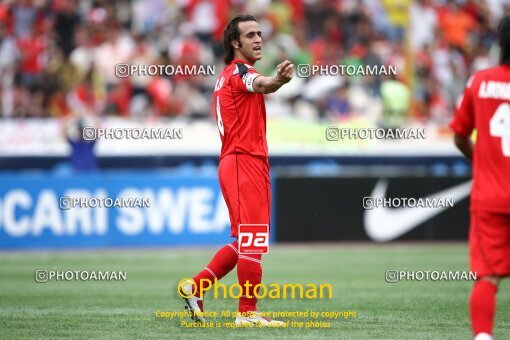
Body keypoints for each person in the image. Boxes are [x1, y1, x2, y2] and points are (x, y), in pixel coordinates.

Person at [178, 14, 293, 327]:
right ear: (234, 42)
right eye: (250, 35)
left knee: (246, 241)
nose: (258, 39)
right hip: (243, 161)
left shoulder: (227, 74)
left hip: (243, 161)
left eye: (260, 34)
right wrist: (278, 81)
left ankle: (195, 287)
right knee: (253, 239)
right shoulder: (241, 72)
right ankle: (247, 312)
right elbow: (262, 84)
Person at [449, 16, 510, 340]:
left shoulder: (479, 81)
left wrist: (485, 163)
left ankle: (483, 337)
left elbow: (459, 135)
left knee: (487, 277)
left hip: (491, 197)